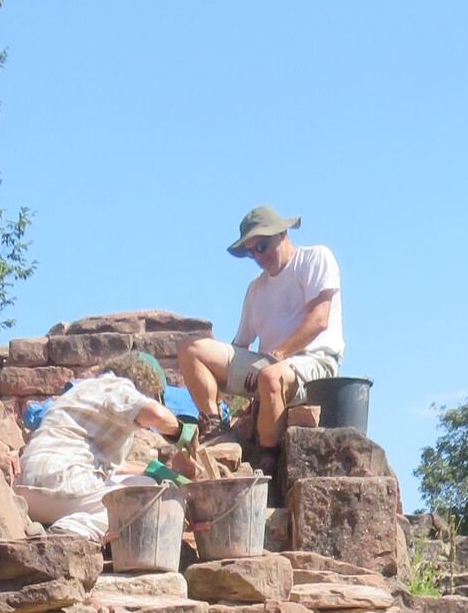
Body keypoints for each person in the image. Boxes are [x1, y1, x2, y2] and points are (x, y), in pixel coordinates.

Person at [178, 207, 344, 450]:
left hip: (314, 362)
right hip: (267, 366)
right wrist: (218, 383)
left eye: (262, 246)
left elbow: (319, 319)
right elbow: (240, 346)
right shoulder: (256, 288)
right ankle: (216, 428)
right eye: (251, 251)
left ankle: (268, 457)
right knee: (190, 350)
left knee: (270, 376)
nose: (258, 256)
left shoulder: (314, 259)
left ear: (282, 234)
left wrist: (275, 356)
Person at [17, 349, 184, 538]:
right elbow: (156, 414)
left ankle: (42, 526)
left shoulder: (83, 389)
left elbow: (111, 469)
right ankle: (71, 529)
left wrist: (153, 470)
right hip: (61, 485)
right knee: (150, 498)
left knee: (144, 483)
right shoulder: (119, 387)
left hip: (27, 494)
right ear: (148, 385)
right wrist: (182, 432)